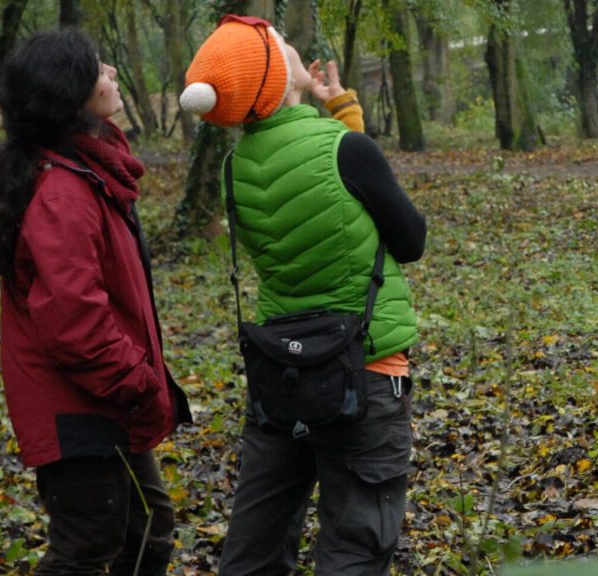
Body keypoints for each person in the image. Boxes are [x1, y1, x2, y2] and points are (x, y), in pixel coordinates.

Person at [179, 14, 426, 575]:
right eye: (281, 44)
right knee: (356, 546)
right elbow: (408, 239)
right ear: (277, 79)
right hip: (364, 370)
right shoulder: (346, 151)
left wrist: (337, 111)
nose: (292, 46)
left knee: (256, 543)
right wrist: (340, 120)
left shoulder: (233, 168)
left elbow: (325, 191)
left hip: (279, 376)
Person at [0, 28, 191, 576]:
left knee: (148, 533)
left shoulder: (88, 170)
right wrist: (139, 384)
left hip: (104, 400)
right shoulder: (63, 192)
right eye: (99, 67)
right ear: (72, 92)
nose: (112, 73)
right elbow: (74, 323)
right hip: (80, 405)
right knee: (88, 547)